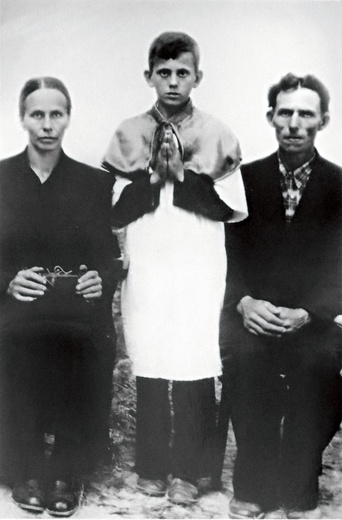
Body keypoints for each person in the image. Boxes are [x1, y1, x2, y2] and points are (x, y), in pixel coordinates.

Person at [102, 32, 248, 505]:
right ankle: (151, 463)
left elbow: (232, 208)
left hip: (198, 264)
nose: (172, 81)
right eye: (163, 72)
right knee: (150, 357)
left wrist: (184, 179)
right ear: (149, 76)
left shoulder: (217, 133)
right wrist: (149, 180)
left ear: (197, 77)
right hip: (149, 263)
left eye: (182, 72)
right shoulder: (129, 133)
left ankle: (190, 469)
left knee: (192, 361)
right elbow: (114, 211)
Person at [220, 73, 342, 519]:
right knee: (245, 359)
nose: (293, 122)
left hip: (313, 321)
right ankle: (253, 481)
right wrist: (243, 302)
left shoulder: (339, 186)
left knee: (322, 365)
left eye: (305, 114)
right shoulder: (242, 181)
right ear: (271, 117)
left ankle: (298, 475)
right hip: (252, 314)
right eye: (285, 112)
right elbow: (225, 254)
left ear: (322, 121)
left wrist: (310, 313)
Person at [0, 77, 121, 516]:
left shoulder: (93, 183)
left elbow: (109, 257)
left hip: (74, 310)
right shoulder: (1, 178)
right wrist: (7, 281)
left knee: (84, 344)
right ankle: (26, 465)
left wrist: (99, 281)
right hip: (15, 309)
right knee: (15, 342)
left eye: (56, 114)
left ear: (68, 118)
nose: (47, 125)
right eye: (37, 114)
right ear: (22, 118)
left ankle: (68, 468)